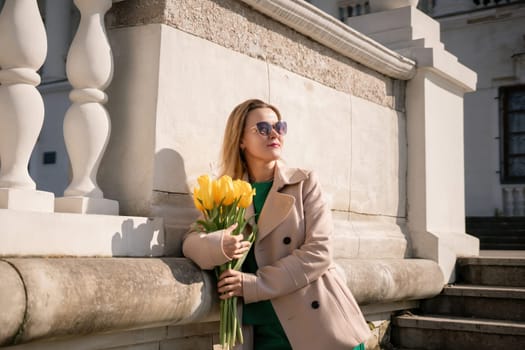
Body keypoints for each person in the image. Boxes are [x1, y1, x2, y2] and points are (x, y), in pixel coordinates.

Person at [183, 99, 371, 350]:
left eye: (279, 127)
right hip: (262, 332)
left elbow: (319, 252)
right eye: (262, 128)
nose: (274, 134)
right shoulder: (229, 193)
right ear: (240, 140)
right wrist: (221, 246)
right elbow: (190, 242)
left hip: (318, 326)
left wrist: (254, 285)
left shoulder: (303, 183)